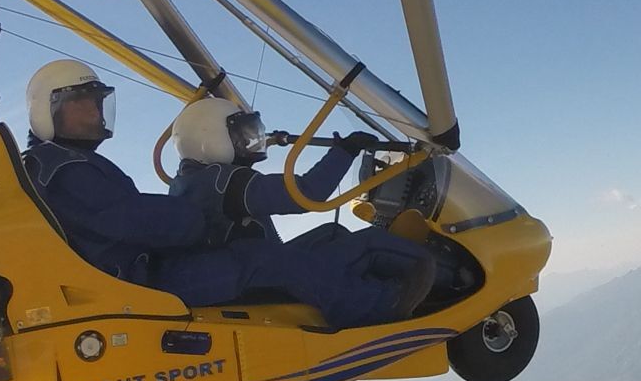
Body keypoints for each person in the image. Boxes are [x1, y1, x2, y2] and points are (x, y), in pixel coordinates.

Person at [16, 61, 434, 326]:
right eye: (81, 102)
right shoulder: (66, 169)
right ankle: (372, 305)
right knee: (262, 257)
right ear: (47, 110)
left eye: (97, 101)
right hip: (146, 283)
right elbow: (133, 218)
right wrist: (344, 152)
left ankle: (381, 282)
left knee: (320, 242)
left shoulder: (67, 164)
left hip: (146, 274)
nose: (95, 110)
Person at [165, 93, 441, 328]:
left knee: (330, 233)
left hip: (238, 273)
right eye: (240, 135)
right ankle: (376, 304)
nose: (250, 141)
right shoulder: (225, 183)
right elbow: (307, 193)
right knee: (377, 248)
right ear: (211, 138)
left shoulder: (192, 181)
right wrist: (345, 151)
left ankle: (364, 286)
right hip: (251, 281)